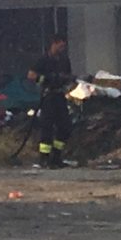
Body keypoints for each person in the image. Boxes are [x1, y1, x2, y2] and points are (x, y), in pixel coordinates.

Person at [27, 35, 74, 169]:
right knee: (47, 127)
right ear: (54, 44)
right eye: (61, 46)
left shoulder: (64, 60)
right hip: (48, 96)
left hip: (60, 96)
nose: (62, 49)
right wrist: (46, 79)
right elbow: (31, 75)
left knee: (65, 127)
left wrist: (67, 80)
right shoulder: (44, 60)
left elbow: (68, 76)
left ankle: (56, 157)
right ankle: (44, 159)